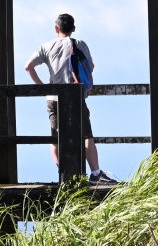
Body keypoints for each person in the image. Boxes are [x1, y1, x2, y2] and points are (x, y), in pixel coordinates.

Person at [24, 13, 115, 183]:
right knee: (87, 135)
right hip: (75, 96)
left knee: (56, 137)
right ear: (73, 28)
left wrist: (43, 87)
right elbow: (91, 66)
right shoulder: (80, 44)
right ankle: (95, 174)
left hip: (53, 97)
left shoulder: (46, 46)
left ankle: (63, 173)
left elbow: (28, 67)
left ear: (56, 28)